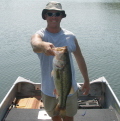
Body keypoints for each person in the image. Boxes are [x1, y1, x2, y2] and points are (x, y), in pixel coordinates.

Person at [31, 1, 90, 121]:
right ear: (45, 16)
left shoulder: (70, 36)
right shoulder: (40, 35)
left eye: (57, 14)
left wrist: (86, 81)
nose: (54, 16)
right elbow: (35, 44)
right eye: (50, 13)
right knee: (55, 116)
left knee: (69, 117)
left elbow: (80, 58)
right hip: (48, 89)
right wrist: (43, 46)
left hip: (69, 88)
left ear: (62, 16)